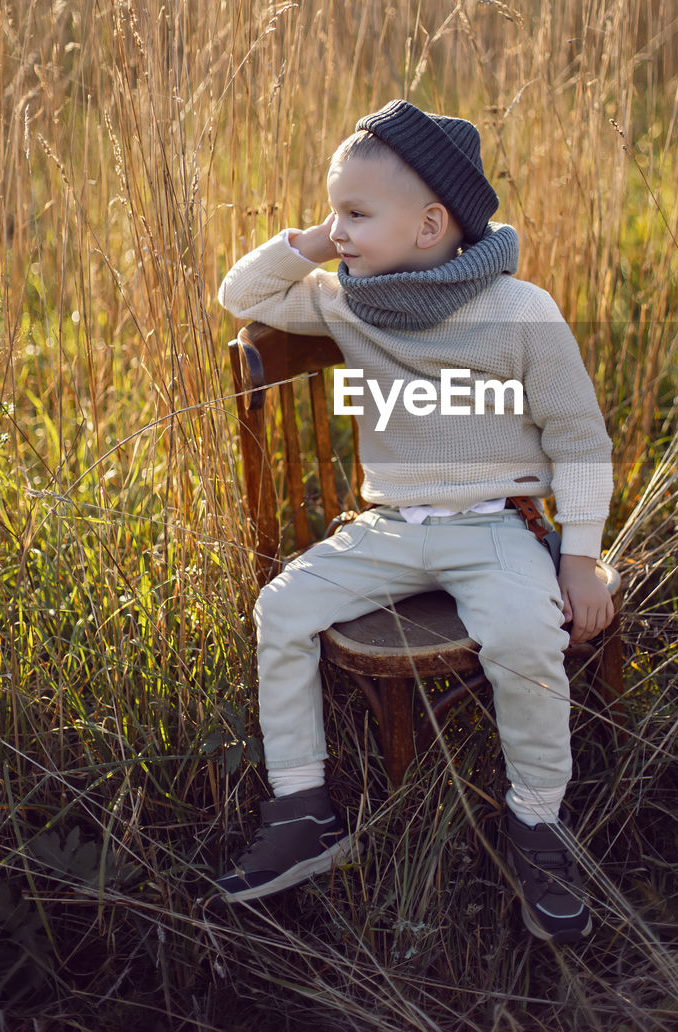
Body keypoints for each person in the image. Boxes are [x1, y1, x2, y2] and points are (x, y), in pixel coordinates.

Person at [216, 100, 614, 943]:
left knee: (522, 637)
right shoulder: (347, 298)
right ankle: (305, 809)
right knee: (280, 609)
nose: (340, 231)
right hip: (390, 530)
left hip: (492, 528)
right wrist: (322, 239)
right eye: (337, 214)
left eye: (357, 214)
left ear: (432, 223)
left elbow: (578, 435)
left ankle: (536, 825)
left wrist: (578, 557)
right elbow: (239, 294)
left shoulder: (520, 311)